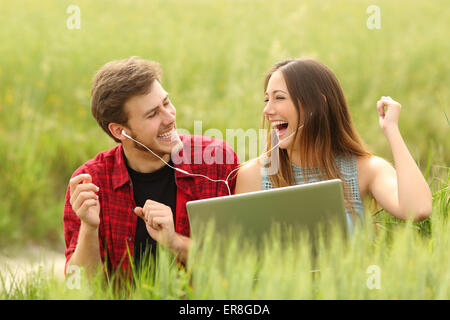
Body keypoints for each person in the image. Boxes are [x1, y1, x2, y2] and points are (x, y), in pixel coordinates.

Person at [64, 57, 238, 279]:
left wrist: (174, 242)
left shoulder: (215, 162)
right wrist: (89, 228)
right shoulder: (90, 182)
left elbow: (239, 264)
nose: (169, 117)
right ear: (119, 131)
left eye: (166, 103)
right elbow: (77, 286)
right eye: (152, 114)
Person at [235, 58, 432, 231]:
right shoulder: (253, 175)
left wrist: (392, 130)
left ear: (316, 105)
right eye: (267, 100)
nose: (267, 110)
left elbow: (418, 209)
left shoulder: (366, 169)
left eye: (279, 98)